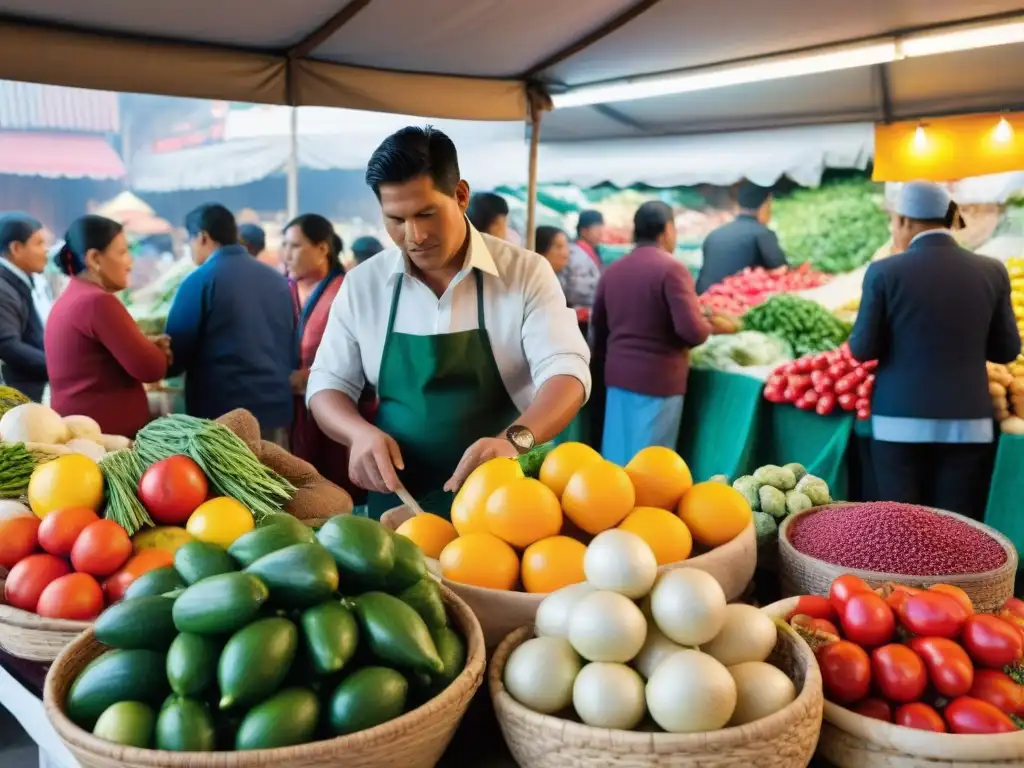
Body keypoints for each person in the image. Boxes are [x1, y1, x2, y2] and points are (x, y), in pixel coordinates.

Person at [307, 126, 590, 519]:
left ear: (460, 196)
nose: (415, 236)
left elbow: (568, 372)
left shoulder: (525, 272)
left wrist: (514, 442)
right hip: (401, 501)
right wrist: (357, 433)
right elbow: (327, 385)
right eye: (396, 220)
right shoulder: (363, 284)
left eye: (426, 214)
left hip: (508, 501)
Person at [849, 181, 1020, 519]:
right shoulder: (992, 271)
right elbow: (1006, 351)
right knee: (957, 527)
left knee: (902, 526)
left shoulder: (884, 271)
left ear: (904, 221)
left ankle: (902, 575)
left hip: (898, 421)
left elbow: (862, 348)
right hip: (969, 424)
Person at [591, 201, 711, 466]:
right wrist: (709, 323)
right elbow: (692, 331)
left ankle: (610, 507)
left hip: (618, 378)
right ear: (667, 230)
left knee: (615, 461)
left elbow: (597, 328)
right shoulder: (672, 268)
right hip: (658, 381)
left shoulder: (612, 271)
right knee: (651, 469)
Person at [166, 204, 295, 443]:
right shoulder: (278, 281)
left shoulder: (200, 280)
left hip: (223, 419)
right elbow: (290, 344)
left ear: (202, 237)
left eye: (190, 241)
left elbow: (174, 357)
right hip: (275, 411)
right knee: (272, 478)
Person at [45, 216, 170, 436]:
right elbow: (151, 369)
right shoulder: (97, 301)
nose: (130, 263)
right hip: (105, 442)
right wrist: (159, 351)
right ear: (94, 258)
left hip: (82, 432)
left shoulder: (71, 296)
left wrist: (144, 345)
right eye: (122, 253)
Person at [281, 213, 351, 490]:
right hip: (293, 412)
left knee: (336, 489)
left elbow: (361, 351)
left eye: (295, 246)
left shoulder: (347, 290)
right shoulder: (282, 289)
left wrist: (311, 375)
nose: (286, 255)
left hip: (339, 407)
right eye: (284, 246)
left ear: (322, 248)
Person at [697, 181, 788, 294]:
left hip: (701, 297)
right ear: (765, 206)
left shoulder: (715, 234)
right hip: (731, 301)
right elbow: (780, 270)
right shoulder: (762, 233)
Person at [0, 213, 50, 401]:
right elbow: (8, 345)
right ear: (16, 248)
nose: (46, 250)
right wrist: (59, 368)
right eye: (38, 243)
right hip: (19, 398)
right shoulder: (2, 288)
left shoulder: (19, 280)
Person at [563, 210, 603, 307]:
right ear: (583, 231)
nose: (600, 233)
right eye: (597, 229)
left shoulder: (593, 251)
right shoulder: (574, 253)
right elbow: (576, 289)